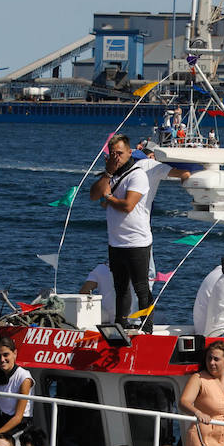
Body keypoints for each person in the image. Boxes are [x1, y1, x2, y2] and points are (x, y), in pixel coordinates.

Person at [90, 134, 155, 329]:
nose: (116, 157)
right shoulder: (111, 176)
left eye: (120, 153)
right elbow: (94, 196)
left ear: (129, 152)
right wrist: (108, 174)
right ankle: (121, 324)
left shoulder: (137, 175)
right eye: (113, 154)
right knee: (120, 288)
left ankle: (147, 327)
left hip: (137, 242)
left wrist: (108, 197)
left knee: (141, 288)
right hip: (116, 242)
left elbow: (128, 205)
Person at [80, 257, 157, 326]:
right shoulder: (140, 273)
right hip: (136, 321)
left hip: (109, 320)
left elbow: (83, 293)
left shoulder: (100, 269)